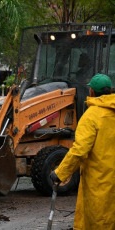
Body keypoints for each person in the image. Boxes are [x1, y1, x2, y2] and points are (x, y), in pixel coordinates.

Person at [50, 73, 115, 229]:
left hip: (99, 182)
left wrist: (60, 173)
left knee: (99, 222)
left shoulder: (91, 116)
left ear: (91, 92)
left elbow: (79, 150)